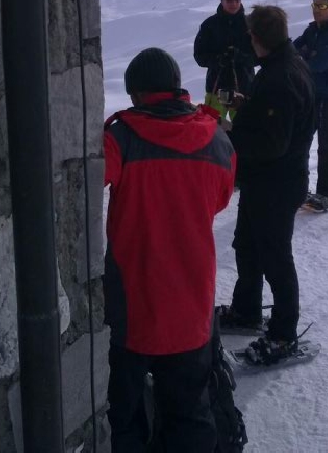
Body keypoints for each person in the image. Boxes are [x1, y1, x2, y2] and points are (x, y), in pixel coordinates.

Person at [103, 47, 236, 452]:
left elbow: (84, 194)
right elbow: (220, 200)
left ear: (135, 92)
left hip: (133, 304)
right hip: (192, 302)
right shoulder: (215, 140)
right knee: (189, 414)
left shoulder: (119, 137)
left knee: (125, 418)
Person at [219, 6, 315, 365]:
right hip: (267, 182)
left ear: (258, 38)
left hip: (277, 183)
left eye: (250, 35)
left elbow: (272, 144)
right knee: (247, 245)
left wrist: (230, 135)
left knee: (275, 257)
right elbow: (280, 124)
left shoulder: (281, 77)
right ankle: (246, 311)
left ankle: (283, 335)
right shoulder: (282, 68)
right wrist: (249, 105)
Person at [293, 0, 328, 210]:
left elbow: (318, 65)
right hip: (310, 94)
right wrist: (305, 53)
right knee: (301, 140)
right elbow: (294, 50)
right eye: (314, 5)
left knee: (326, 144)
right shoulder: (312, 30)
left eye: (322, 6)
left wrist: (305, 55)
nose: (316, 9)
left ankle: (326, 194)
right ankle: (299, 188)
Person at [193, 0, 256, 119]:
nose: (233, 4)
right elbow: (199, 56)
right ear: (221, 1)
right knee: (212, 130)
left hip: (244, 89)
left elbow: (260, 55)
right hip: (216, 89)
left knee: (243, 133)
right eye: (229, 0)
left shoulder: (250, 25)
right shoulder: (209, 25)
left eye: (236, 0)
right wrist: (217, 60)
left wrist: (241, 57)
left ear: (241, 0)